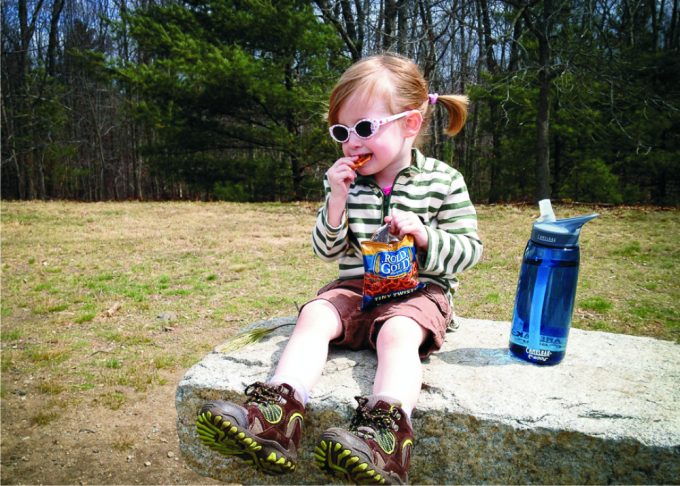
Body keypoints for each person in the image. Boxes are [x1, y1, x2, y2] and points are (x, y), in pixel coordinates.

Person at [196, 53, 482, 485]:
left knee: (397, 332)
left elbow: (470, 251)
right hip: (357, 284)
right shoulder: (348, 184)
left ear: (410, 124)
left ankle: (386, 441)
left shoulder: (443, 181)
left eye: (365, 128)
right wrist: (336, 200)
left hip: (419, 293)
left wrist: (425, 236)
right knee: (313, 313)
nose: (352, 142)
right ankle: (276, 417)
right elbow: (326, 250)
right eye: (341, 131)